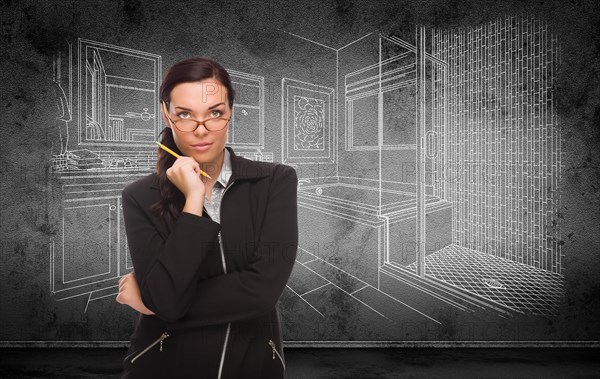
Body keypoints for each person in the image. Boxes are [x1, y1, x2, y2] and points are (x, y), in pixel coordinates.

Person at [115, 57, 298, 379]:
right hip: (162, 365)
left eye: (214, 113)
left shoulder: (275, 181)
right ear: (166, 113)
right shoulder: (139, 196)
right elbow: (168, 299)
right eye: (185, 115)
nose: (201, 131)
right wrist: (193, 200)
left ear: (230, 113)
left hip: (253, 363)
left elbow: (262, 291)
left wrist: (152, 302)